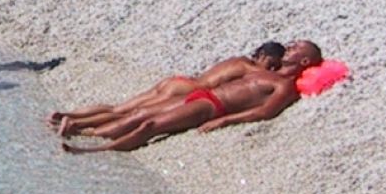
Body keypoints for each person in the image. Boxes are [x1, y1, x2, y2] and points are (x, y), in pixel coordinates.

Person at [62, 42, 323, 154]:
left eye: (296, 47)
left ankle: (93, 148)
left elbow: (265, 112)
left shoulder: (285, 86)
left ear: (304, 60)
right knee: (137, 114)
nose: (290, 45)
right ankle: (86, 131)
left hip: (213, 106)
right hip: (203, 94)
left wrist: (224, 121)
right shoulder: (263, 70)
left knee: (149, 126)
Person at [48, 42, 284, 137]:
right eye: (270, 63)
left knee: (119, 108)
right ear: (261, 56)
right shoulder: (250, 69)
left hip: (178, 81)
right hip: (186, 90)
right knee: (127, 115)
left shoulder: (237, 59)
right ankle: (79, 126)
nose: (270, 69)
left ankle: (70, 116)